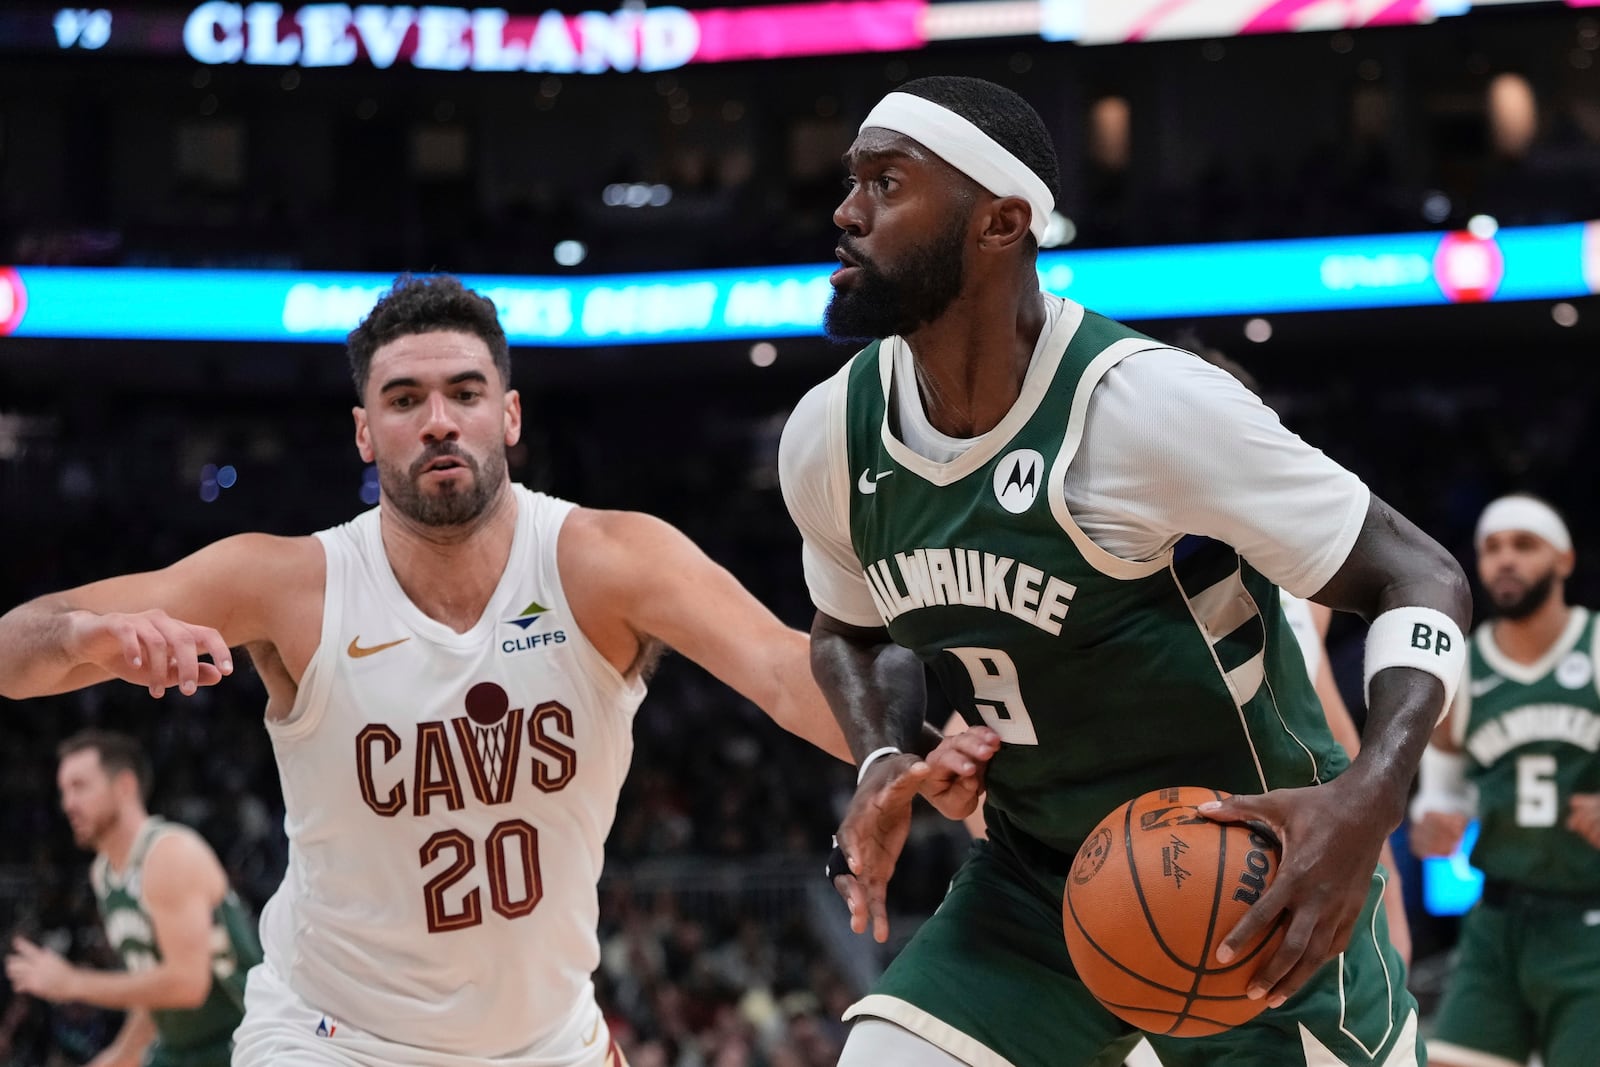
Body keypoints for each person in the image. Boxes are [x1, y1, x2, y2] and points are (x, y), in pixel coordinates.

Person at [0, 274, 988, 1067]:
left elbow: (784, 670)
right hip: (331, 1035)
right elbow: (17, 643)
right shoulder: (290, 581)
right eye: (404, 398)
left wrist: (920, 761)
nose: (438, 419)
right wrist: (91, 637)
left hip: (543, 1038)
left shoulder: (604, 559)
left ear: (507, 415)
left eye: (464, 393)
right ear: (362, 431)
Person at [777, 75, 1470, 1066]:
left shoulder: (1143, 408)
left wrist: (1369, 795)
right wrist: (884, 758)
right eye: (852, 182)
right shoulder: (828, 437)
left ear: (1000, 221)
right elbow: (850, 628)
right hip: (1033, 881)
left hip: (1254, 876)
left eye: (886, 182)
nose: (845, 212)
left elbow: (1421, 574)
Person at [1409, 493, 1599, 1067]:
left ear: (1564, 560)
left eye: (1524, 545)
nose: (1505, 560)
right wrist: (1432, 824)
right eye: (1492, 548)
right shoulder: (1462, 667)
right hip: (1496, 923)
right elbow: (1441, 793)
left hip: (1589, 921)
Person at [4, 730, 261, 1067]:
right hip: (180, 1052)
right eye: (64, 791)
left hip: (238, 1041)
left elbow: (187, 984)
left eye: (79, 786)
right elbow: (153, 994)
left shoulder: (169, 854)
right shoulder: (105, 875)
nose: (68, 803)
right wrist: (117, 1058)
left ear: (124, 786)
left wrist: (74, 982)